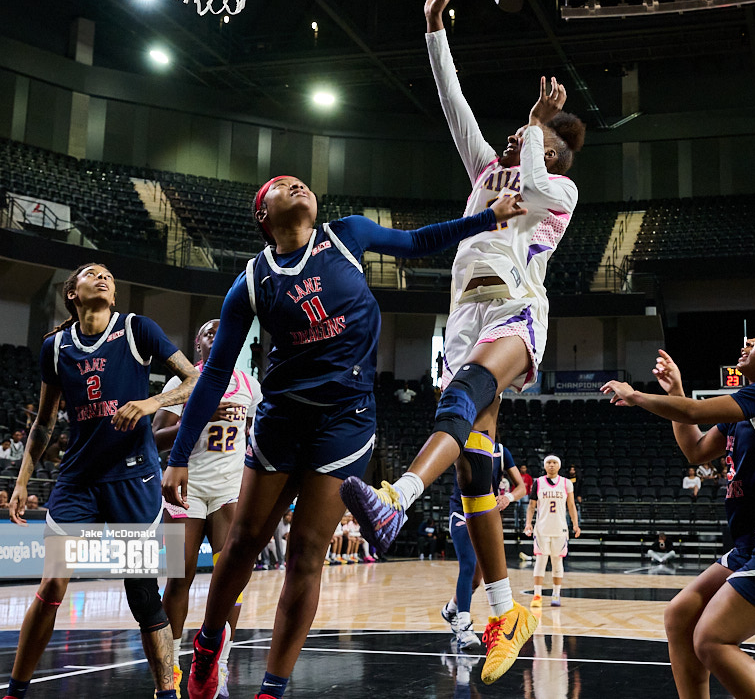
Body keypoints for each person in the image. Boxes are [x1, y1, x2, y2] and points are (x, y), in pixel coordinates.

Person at [160, 174, 525, 699]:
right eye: (283, 185)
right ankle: (208, 644)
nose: (299, 186)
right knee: (242, 544)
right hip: (283, 418)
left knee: (307, 555)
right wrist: (179, 456)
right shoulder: (252, 281)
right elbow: (214, 373)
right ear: (263, 215)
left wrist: (490, 216)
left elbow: (418, 241)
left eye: (302, 183)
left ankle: (271, 690)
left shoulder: (346, 234)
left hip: (346, 420)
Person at [341, 0, 586, 685]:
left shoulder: (558, 187)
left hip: (516, 311)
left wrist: (538, 128)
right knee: (478, 468)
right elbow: (454, 105)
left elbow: (535, 181)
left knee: (464, 395)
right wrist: (433, 26)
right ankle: (506, 610)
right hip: (463, 318)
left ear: (553, 150)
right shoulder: (485, 172)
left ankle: (395, 500)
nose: (513, 134)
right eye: (519, 131)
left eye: (531, 134)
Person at [601, 328, 755, 699]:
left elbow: (694, 411)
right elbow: (695, 450)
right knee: (681, 616)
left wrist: (636, 395)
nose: (748, 342)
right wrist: (675, 392)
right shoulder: (743, 412)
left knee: (712, 638)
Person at [5, 262, 200, 699]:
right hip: (78, 479)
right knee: (52, 583)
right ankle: (15, 691)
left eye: (109, 275)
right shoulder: (55, 347)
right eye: (92, 273)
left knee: (142, 594)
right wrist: (22, 481)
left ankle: (166, 693)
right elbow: (44, 422)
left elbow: (193, 379)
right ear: (72, 293)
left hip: (134, 477)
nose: (104, 277)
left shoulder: (136, 328)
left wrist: (151, 403)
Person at [152, 317, 262, 698]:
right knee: (177, 578)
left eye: (221, 330)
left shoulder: (250, 385)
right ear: (197, 344)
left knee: (230, 579)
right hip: (185, 489)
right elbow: (155, 437)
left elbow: (257, 435)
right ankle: (170, 667)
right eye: (207, 332)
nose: (215, 335)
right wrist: (199, 418)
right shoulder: (181, 383)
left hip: (229, 491)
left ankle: (220, 663)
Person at [441, 438, 526, 650]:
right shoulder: (461, 443)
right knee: (468, 565)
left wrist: (509, 498)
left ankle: (450, 609)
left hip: (485, 516)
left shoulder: (501, 451)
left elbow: (522, 487)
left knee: (476, 580)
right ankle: (464, 626)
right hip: (460, 512)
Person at [524, 456, 581, 607]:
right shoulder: (538, 482)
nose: (551, 465)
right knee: (540, 561)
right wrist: (528, 523)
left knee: (557, 561)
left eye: (554, 463)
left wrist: (575, 524)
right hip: (542, 528)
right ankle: (537, 595)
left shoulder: (566, 483)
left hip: (560, 528)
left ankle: (556, 594)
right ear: (544, 466)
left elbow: (571, 505)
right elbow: (531, 505)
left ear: (559, 466)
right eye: (548, 462)